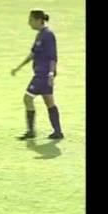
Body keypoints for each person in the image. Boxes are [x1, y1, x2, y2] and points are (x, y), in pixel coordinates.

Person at [11, 9, 64, 140]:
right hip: (42, 74)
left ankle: (31, 132)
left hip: (43, 74)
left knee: (27, 98)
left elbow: (53, 57)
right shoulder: (40, 34)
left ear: (38, 20)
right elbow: (33, 53)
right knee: (49, 101)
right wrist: (19, 67)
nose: (29, 23)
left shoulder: (48, 35)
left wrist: (51, 73)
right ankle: (57, 132)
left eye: (31, 20)